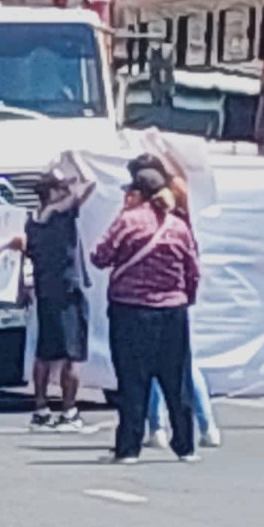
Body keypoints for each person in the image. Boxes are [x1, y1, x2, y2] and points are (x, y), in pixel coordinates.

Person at [91, 166, 200, 464]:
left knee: (132, 381)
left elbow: (99, 256)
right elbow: (193, 270)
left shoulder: (128, 221)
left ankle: (129, 447)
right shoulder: (179, 226)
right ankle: (185, 445)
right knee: (176, 381)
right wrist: (184, 298)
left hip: (131, 311)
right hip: (173, 311)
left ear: (137, 193)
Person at [124, 152, 221, 450]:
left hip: (143, 294)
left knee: (148, 365)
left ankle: (157, 428)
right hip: (177, 290)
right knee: (184, 364)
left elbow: (111, 248)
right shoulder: (179, 201)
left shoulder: (138, 211)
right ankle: (207, 426)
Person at [10, 165, 95, 433]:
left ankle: (41, 408)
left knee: (44, 352)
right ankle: (69, 411)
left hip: (45, 289)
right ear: (52, 192)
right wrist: (77, 168)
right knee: (73, 354)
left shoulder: (33, 220)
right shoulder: (62, 213)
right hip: (69, 288)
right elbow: (90, 184)